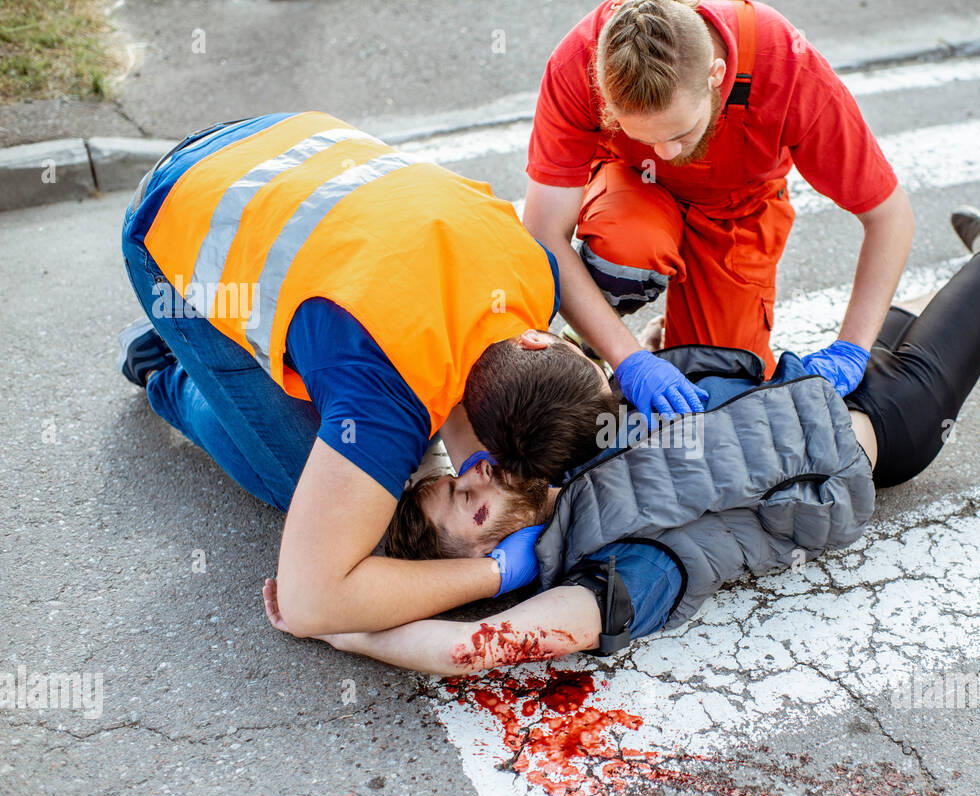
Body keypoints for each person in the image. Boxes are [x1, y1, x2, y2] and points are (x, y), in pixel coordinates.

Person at [262, 208, 980, 674]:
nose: (480, 477)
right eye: (470, 509)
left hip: (812, 383)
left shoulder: (549, 456)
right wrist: (344, 623)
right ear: (485, 553)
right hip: (884, 433)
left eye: (462, 475)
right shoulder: (612, 565)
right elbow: (487, 644)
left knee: (911, 316)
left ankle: (958, 295)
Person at [117, 111, 615, 638]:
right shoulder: (387, 402)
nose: (480, 471)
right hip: (172, 217)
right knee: (299, 480)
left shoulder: (534, 275)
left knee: (343, 472)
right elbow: (309, 603)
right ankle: (166, 368)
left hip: (278, 137)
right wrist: (494, 573)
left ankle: (215, 343)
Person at [519, 0, 914, 433]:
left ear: (717, 76)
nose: (667, 154)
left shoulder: (787, 65)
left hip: (735, 208)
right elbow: (542, 234)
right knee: (624, 250)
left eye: (679, 133)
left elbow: (889, 216)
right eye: (644, 137)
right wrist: (627, 360)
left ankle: (664, 333)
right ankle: (596, 345)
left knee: (723, 391)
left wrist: (853, 347)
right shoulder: (579, 61)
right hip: (634, 188)